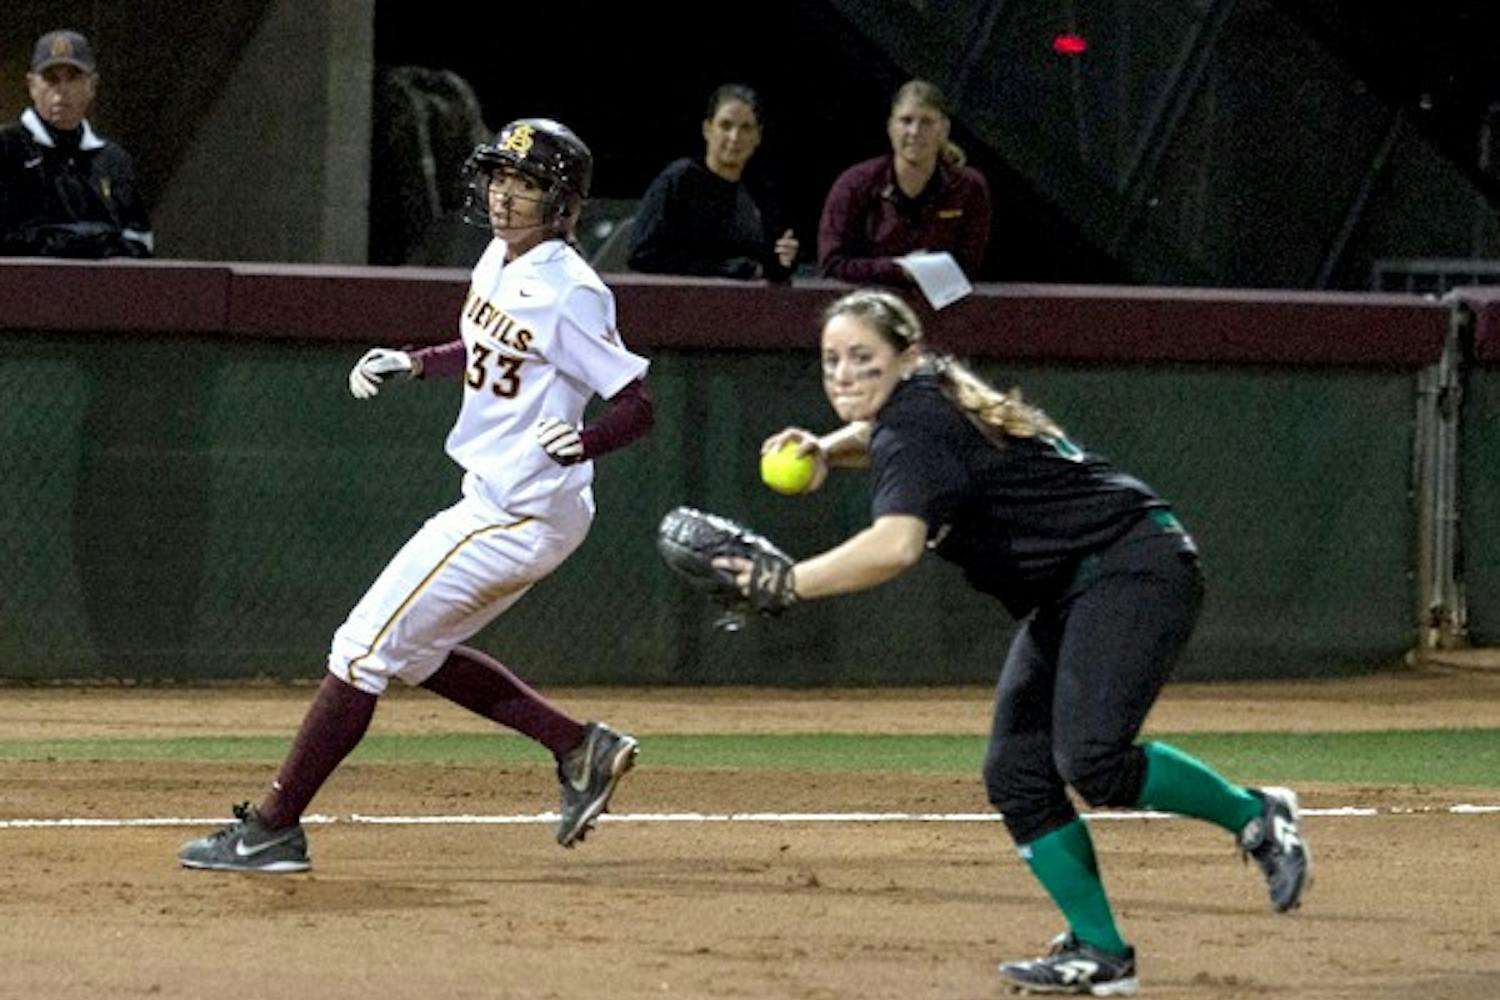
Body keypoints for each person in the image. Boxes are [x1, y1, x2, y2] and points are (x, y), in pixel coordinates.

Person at [717, 288, 1311, 995]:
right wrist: (824, 446)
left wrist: (785, 583)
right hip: (1078, 587)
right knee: (1020, 776)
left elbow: (894, 546)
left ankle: (1256, 816)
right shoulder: (927, 398)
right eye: (830, 361)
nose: (842, 374)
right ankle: (1100, 951)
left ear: (906, 357)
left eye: (861, 358)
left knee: (1093, 758)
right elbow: (882, 437)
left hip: (1131, 568)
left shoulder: (915, 426)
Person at [178, 118, 653, 872]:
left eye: (525, 183)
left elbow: (636, 402)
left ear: (560, 202)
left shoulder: (572, 290)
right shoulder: (500, 259)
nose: (504, 194)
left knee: (361, 648)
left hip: (519, 510)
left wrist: (587, 439)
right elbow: (490, 349)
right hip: (505, 501)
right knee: (416, 650)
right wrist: (415, 361)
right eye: (499, 176)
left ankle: (272, 827)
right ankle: (578, 748)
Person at [817, 80, 989, 288]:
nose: (915, 131)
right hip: (868, 309)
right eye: (906, 120)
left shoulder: (969, 188)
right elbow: (832, 264)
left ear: (944, 129)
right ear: (890, 127)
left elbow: (969, 266)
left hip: (943, 310)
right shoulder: (854, 184)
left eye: (927, 122)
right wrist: (900, 269)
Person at [0, 29, 153, 258]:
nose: (61, 89)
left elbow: (140, 242)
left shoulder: (113, 160)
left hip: (102, 291)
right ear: (31, 85)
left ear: (92, 85)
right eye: (51, 78)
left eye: (73, 77)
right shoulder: (7, 148)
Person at [627, 83, 798, 280]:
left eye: (746, 128)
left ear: (758, 136)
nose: (735, 137)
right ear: (707, 129)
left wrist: (785, 258)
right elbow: (642, 255)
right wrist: (728, 270)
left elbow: (766, 263)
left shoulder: (760, 191)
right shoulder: (680, 181)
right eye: (726, 126)